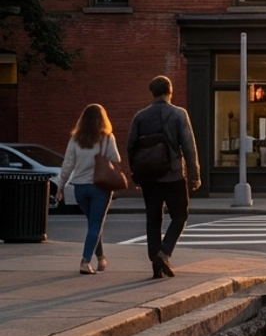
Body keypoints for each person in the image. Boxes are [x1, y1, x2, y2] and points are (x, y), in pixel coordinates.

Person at [127, 76, 199, 280]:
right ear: (170, 91)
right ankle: (164, 253)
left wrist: (136, 175)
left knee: (153, 219)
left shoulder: (139, 117)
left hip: (149, 178)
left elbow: (131, 147)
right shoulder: (178, 114)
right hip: (173, 175)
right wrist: (194, 174)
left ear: (152, 93)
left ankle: (156, 265)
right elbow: (188, 146)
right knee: (180, 216)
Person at [58, 103, 120, 275]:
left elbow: (67, 164)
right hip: (100, 186)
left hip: (80, 189)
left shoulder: (75, 139)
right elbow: (115, 158)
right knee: (95, 224)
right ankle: (85, 261)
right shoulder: (107, 138)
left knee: (93, 223)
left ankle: (101, 259)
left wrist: (60, 186)